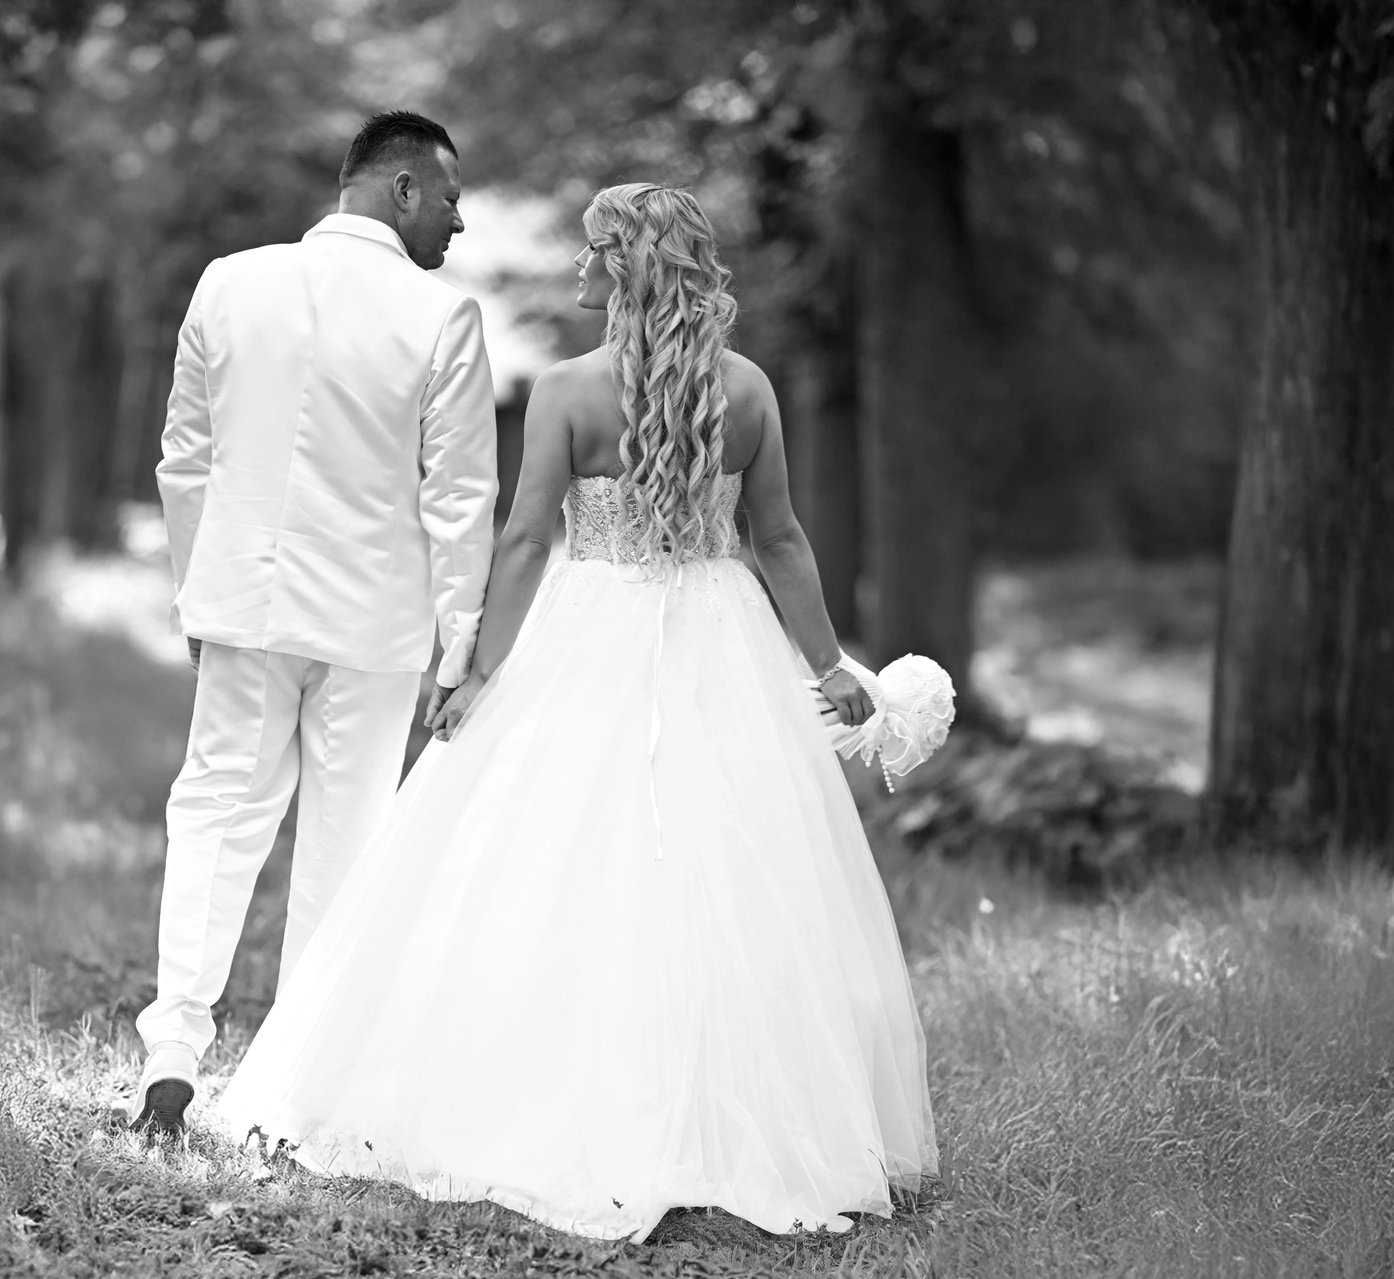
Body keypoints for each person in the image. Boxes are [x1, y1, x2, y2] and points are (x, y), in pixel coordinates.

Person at [215, 183, 939, 1241]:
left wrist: (476, 671)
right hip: (720, 633)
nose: (583, 266)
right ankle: (719, 1111)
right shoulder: (744, 388)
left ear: (631, 265)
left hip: (589, 625)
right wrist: (826, 663)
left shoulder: (566, 391)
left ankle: (567, 1098)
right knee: (725, 859)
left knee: (552, 851)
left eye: (598, 251)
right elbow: (778, 538)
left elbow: (521, 541)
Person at [133, 111, 498, 1132]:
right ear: (403, 189)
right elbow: (460, 497)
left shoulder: (228, 283)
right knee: (347, 842)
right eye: (451, 199)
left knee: (215, 814)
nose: (458, 223)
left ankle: (174, 1044)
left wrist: (196, 591)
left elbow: (185, 458)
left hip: (245, 604)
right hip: (373, 622)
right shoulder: (442, 316)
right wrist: (460, 645)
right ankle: (293, 1087)